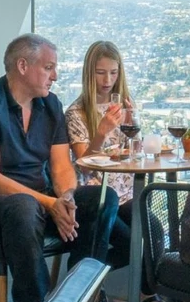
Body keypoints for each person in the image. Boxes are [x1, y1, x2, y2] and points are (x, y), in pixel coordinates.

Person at [0, 34, 121, 302]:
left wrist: (67, 197)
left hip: (40, 203)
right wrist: (50, 202)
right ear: (22, 66)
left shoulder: (50, 105)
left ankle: (79, 301)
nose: (55, 76)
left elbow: (60, 167)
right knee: (23, 205)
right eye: (48, 68)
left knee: (102, 198)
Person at [66, 40, 154, 280]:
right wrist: (101, 132)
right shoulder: (77, 113)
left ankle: (149, 296)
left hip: (124, 191)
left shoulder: (122, 106)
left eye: (113, 73)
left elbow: (132, 151)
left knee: (153, 231)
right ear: (89, 73)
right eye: (101, 73)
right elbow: (84, 162)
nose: (107, 80)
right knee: (130, 242)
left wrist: (134, 125)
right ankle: (86, 286)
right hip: (98, 193)